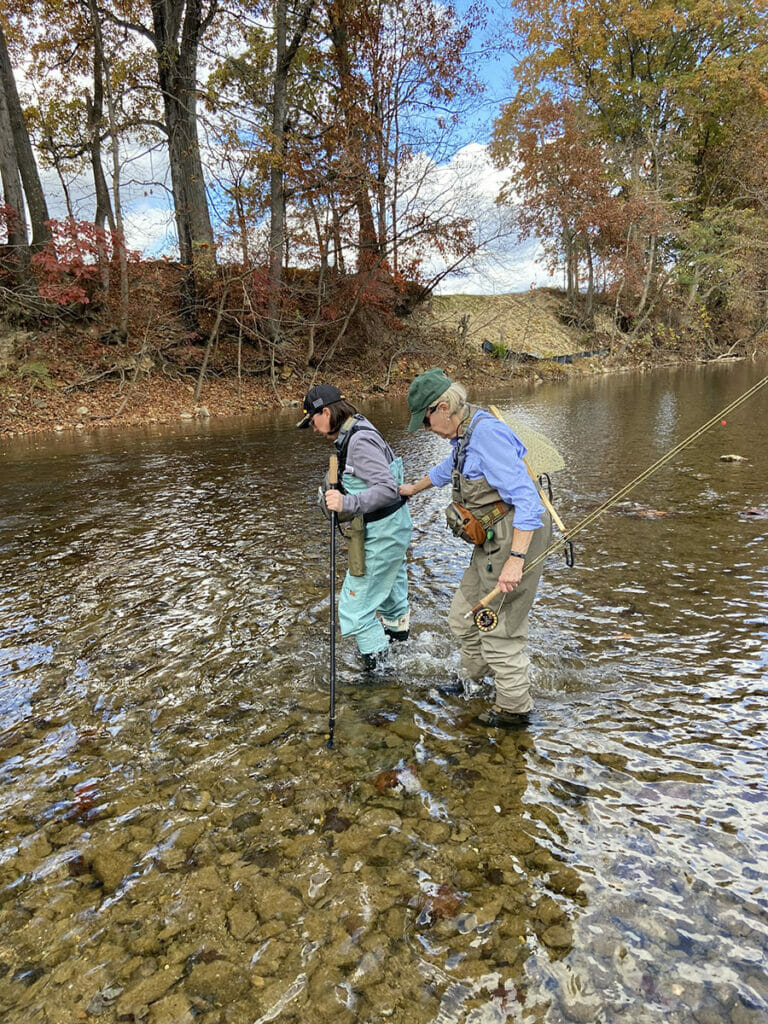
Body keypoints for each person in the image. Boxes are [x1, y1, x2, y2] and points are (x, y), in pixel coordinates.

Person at [399, 367, 552, 727]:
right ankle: (474, 682)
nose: (426, 429)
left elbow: (528, 502)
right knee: (462, 617)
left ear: (442, 408)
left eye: (424, 421)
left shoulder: (488, 436)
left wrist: (516, 561)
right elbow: (449, 469)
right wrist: (411, 489)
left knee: (499, 629)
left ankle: (514, 711)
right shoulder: (464, 435)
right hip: (491, 541)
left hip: (517, 538)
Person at [298, 384, 412, 670]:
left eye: (313, 421)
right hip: (394, 528)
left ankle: (378, 678)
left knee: (354, 610)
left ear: (326, 412)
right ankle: (401, 654)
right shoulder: (360, 427)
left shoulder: (358, 442)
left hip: (383, 534)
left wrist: (346, 505)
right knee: (391, 599)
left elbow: (388, 489)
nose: (313, 429)